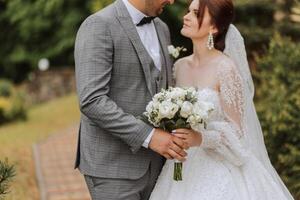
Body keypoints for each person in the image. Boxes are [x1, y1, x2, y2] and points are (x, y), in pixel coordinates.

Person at [149, 0, 294, 199]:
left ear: (214, 27)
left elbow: (239, 136)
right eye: (188, 11)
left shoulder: (226, 68)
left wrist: (200, 138)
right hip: (182, 164)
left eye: (196, 13)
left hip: (220, 168)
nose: (186, 16)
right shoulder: (179, 66)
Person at [74, 0, 189, 199]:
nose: (171, 1)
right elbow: (92, 100)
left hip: (159, 166)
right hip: (112, 167)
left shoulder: (162, 28)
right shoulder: (98, 25)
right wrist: (150, 136)